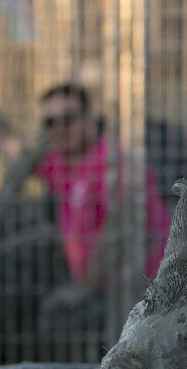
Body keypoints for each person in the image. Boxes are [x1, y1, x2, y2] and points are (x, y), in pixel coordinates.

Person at [0, 83, 171, 316]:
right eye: (50, 122)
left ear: (89, 119)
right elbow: (20, 154)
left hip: (141, 296)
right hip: (103, 289)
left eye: (68, 119)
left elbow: (121, 226)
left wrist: (82, 289)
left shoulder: (111, 161)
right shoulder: (66, 165)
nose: (59, 128)